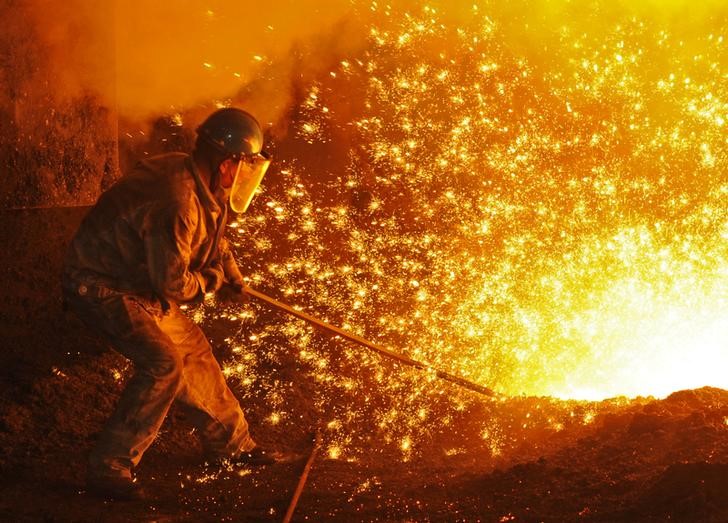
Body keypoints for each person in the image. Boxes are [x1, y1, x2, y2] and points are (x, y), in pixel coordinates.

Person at [62, 107, 274, 500]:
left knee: (194, 351)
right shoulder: (176, 200)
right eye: (244, 165)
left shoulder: (199, 178)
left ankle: (232, 447)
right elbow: (173, 284)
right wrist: (213, 281)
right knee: (164, 364)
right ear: (228, 162)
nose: (244, 175)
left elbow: (214, 238)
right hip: (101, 284)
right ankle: (109, 470)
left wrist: (230, 270)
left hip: (138, 285)